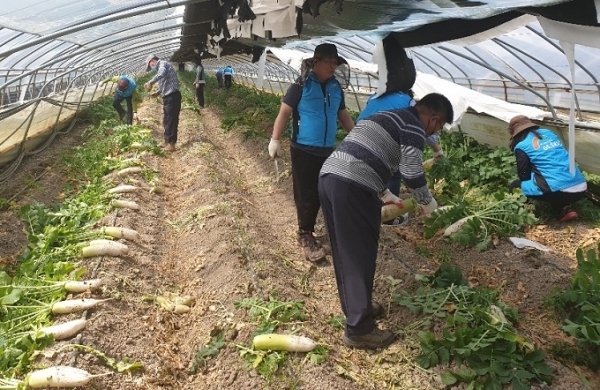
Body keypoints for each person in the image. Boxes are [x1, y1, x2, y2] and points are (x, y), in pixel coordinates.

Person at [318, 93, 453, 349]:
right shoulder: (413, 125)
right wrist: (429, 204)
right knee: (359, 255)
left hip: (331, 177)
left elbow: (367, 153)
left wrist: (385, 193)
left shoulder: (387, 116)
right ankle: (359, 329)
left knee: (345, 250)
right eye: (439, 127)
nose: (435, 133)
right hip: (353, 186)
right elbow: (412, 170)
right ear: (434, 119)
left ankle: (359, 308)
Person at [268, 43, 355, 262]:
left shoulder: (336, 88)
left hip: (327, 149)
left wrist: (356, 136)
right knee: (306, 193)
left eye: (335, 63)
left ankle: (329, 229)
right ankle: (304, 233)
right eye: (329, 62)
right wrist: (275, 140)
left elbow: (343, 115)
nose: (333, 66)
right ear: (316, 62)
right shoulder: (300, 86)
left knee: (327, 191)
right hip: (304, 149)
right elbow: (284, 113)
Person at [357, 89, 444, 226]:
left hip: (362, 133)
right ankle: (388, 215)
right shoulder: (409, 103)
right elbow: (411, 172)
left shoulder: (375, 95)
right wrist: (426, 201)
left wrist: (384, 193)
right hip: (385, 140)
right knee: (394, 174)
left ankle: (375, 207)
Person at [507, 115, 587, 222]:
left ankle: (519, 212)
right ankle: (564, 210)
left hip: (560, 191)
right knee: (550, 182)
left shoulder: (522, 146)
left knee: (516, 185)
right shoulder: (549, 134)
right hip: (581, 187)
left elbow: (524, 175)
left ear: (515, 133)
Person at [143, 55, 181, 152]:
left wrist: (150, 82)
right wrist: (158, 92)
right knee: (166, 120)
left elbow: (162, 74)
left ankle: (172, 144)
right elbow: (165, 82)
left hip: (172, 96)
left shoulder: (162, 64)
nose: (151, 67)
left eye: (150, 65)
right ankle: (166, 141)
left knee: (171, 120)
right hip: (168, 96)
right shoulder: (162, 66)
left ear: (152, 61)